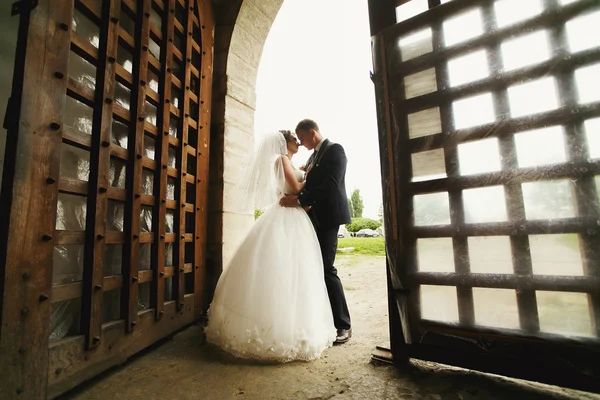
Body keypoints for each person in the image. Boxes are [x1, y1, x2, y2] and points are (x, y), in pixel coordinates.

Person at [204, 130, 336, 362]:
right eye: (294, 139)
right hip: (286, 216)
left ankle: (293, 324)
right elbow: (293, 189)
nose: (297, 142)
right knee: (284, 268)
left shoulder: (287, 160)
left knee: (293, 270)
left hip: (292, 215)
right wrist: (310, 181)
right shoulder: (282, 158)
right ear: (284, 142)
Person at [280, 119, 352, 344]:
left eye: (302, 138)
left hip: (329, 217)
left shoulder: (335, 150)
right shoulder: (312, 158)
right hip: (312, 217)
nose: (300, 143)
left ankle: (344, 325)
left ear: (312, 133)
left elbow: (331, 185)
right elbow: (309, 183)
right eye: (297, 140)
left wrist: (300, 199)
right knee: (314, 268)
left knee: (327, 268)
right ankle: (325, 320)